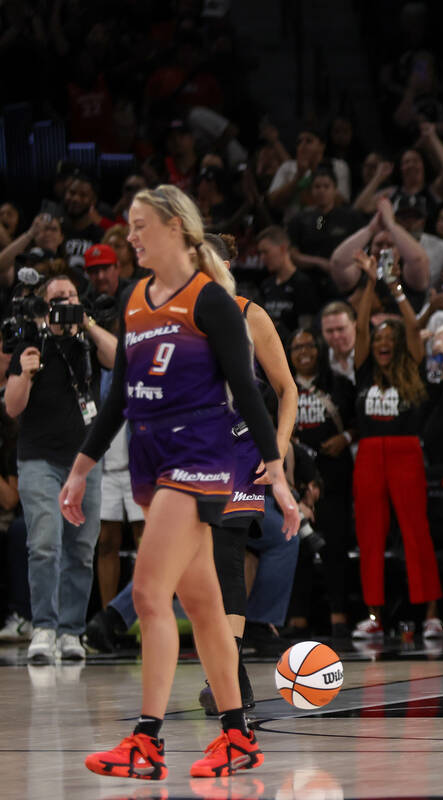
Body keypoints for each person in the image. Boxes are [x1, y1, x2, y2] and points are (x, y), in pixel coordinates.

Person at [60, 185, 299, 780]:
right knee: (205, 604)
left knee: (147, 594)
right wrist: (82, 466)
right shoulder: (136, 299)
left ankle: (146, 740)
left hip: (203, 461)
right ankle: (237, 736)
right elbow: (120, 397)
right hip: (153, 461)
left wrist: (279, 474)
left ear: (174, 226)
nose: (131, 237)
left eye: (140, 226)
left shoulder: (213, 301)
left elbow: (252, 393)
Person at [196, 234, 298, 715]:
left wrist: (276, 449)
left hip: (238, 450)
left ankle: (230, 681)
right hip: (195, 451)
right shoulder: (180, 315)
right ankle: (231, 680)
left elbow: (287, 389)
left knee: (227, 558)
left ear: (228, 265)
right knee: (200, 567)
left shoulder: (248, 312)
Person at [5, 275, 117, 664]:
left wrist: (86, 323)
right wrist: (25, 371)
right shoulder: (31, 341)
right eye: (55, 299)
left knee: (82, 548)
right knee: (45, 544)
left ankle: (72, 632)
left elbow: (119, 359)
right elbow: (12, 407)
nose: (63, 304)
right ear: (43, 305)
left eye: (69, 297)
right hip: (39, 459)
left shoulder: (89, 339)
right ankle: (44, 628)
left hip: (86, 462)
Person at [348, 251, 442, 639]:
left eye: (390, 338)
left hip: (405, 452)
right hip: (369, 453)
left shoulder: (413, 367)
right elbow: (360, 330)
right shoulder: (364, 368)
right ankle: (374, 616)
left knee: (416, 531)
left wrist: (395, 288)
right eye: (379, 338)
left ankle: (432, 613)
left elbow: (413, 328)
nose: (382, 342)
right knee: (369, 535)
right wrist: (371, 282)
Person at [284, 328, 356, 638]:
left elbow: (359, 421)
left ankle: (339, 614)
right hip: (297, 481)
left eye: (309, 345)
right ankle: (297, 616)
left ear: (319, 349)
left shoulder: (339, 385)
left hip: (335, 476)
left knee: (334, 548)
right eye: (296, 346)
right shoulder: (282, 388)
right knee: (297, 548)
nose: (304, 351)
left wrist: (346, 438)